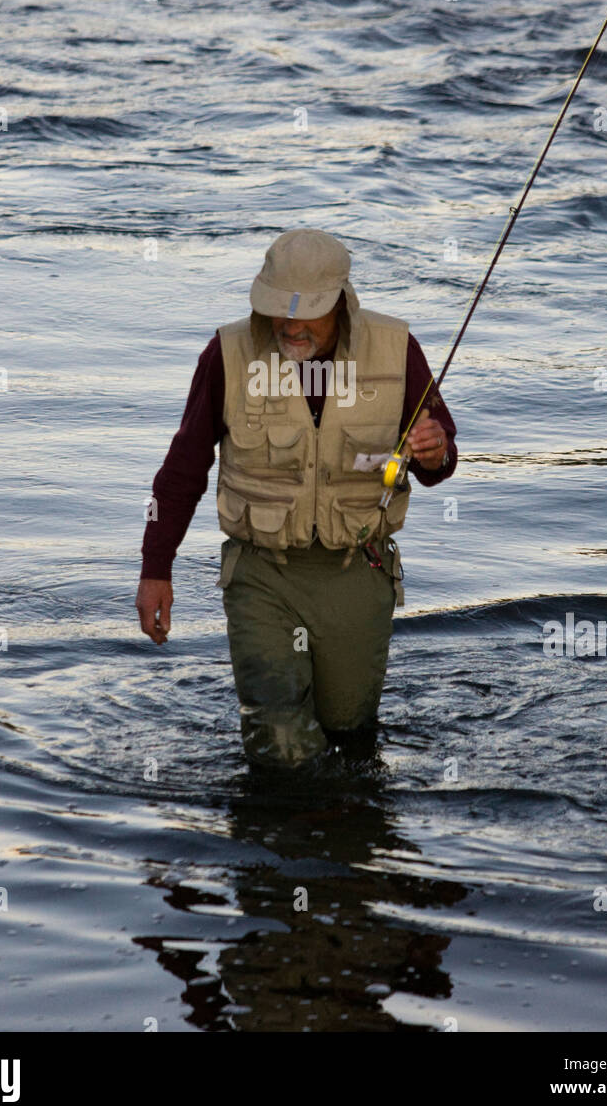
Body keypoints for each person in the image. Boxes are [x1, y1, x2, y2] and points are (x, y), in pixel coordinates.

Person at [136, 228, 458, 768]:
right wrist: (155, 567)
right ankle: (279, 840)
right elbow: (183, 469)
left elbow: (439, 461)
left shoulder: (397, 349)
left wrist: (434, 451)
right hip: (262, 573)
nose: (288, 325)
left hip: (358, 570)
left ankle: (336, 834)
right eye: (277, 309)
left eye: (306, 312)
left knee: (350, 737)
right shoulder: (227, 354)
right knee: (279, 739)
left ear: (340, 301)